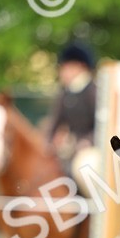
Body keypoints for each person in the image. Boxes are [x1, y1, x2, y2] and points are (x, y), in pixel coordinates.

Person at [47, 40, 98, 196]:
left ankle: (98, 210)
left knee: (84, 168)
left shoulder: (93, 91)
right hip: (72, 147)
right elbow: (54, 123)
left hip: (93, 148)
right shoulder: (65, 93)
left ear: (80, 67)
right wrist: (47, 144)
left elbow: (101, 125)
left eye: (66, 67)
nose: (61, 72)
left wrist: (88, 141)